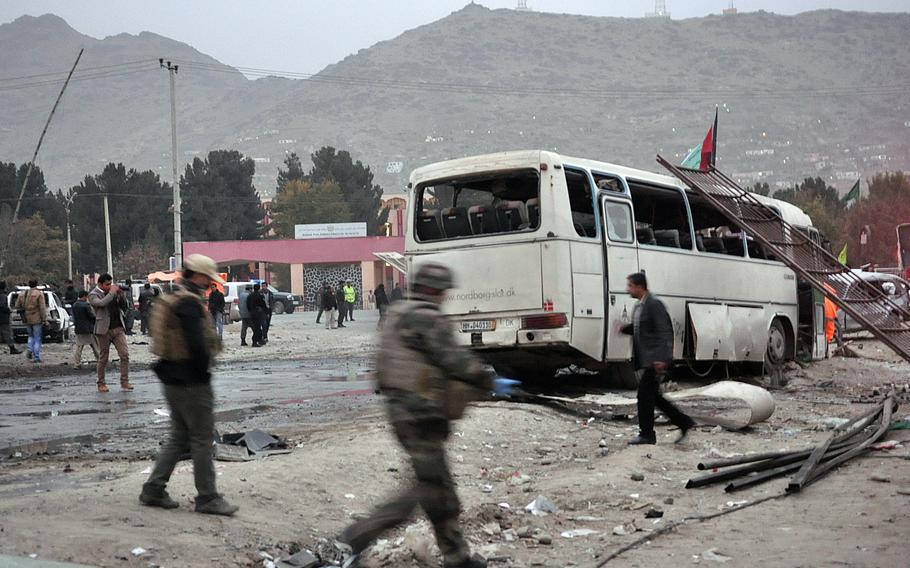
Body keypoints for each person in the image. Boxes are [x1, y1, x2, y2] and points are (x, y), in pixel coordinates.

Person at [337, 263, 509, 568]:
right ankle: (359, 535)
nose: (444, 297)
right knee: (430, 489)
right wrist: (489, 380)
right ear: (433, 290)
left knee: (435, 487)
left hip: (404, 412)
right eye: (442, 292)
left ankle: (457, 555)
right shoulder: (426, 317)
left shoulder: (398, 311)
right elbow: (456, 362)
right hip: (419, 415)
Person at [140, 254, 239, 517]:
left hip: (170, 376)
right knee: (202, 439)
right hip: (191, 381)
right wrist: (203, 372)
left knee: (179, 436)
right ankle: (208, 497)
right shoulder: (190, 304)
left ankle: (153, 489)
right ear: (197, 275)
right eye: (208, 278)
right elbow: (197, 345)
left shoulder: (171, 297)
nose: (210, 284)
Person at [620, 272, 694, 445]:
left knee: (644, 396)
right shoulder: (639, 306)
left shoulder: (654, 304)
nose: (627, 289)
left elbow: (664, 332)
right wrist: (625, 329)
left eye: (630, 286)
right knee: (654, 397)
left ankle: (647, 434)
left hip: (656, 360)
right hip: (648, 360)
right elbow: (641, 328)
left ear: (640, 287)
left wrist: (662, 358)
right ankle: (684, 422)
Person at [89, 274, 133, 393]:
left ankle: (124, 381)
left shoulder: (113, 293)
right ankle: (101, 383)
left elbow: (125, 307)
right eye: (107, 284)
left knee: (124, 355)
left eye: (110, 284)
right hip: (103, 330)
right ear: (100, 284)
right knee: (103, 357)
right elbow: (101, 304)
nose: (110, 286)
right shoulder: (93, 294)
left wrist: (121, 296)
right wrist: (112, 293)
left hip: (118, 328)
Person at [16, 280, 47, 364]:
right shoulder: (39, 294)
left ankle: (29, 349)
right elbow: (42, 308)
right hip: (36, 317)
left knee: (30, 336)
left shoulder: (22, 294)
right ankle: (36, 357)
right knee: (37, 338)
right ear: (36, 284)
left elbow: (17, 306)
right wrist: (44, 319)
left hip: (26, 317)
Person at [72, 290, 100, 369]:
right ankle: (100, 361)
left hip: (79, 329)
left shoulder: (74, 305)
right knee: (95, 346)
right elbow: (91, 316)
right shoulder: (86, 305)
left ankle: (76, 363)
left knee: (79, 348)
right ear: (84, 296)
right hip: (88, 329)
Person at [0, 281, 22, 355]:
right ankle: (12, 348)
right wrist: (8, 310)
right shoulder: (3, 296)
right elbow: (2, 306)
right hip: (3, 318)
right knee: (8, 334)